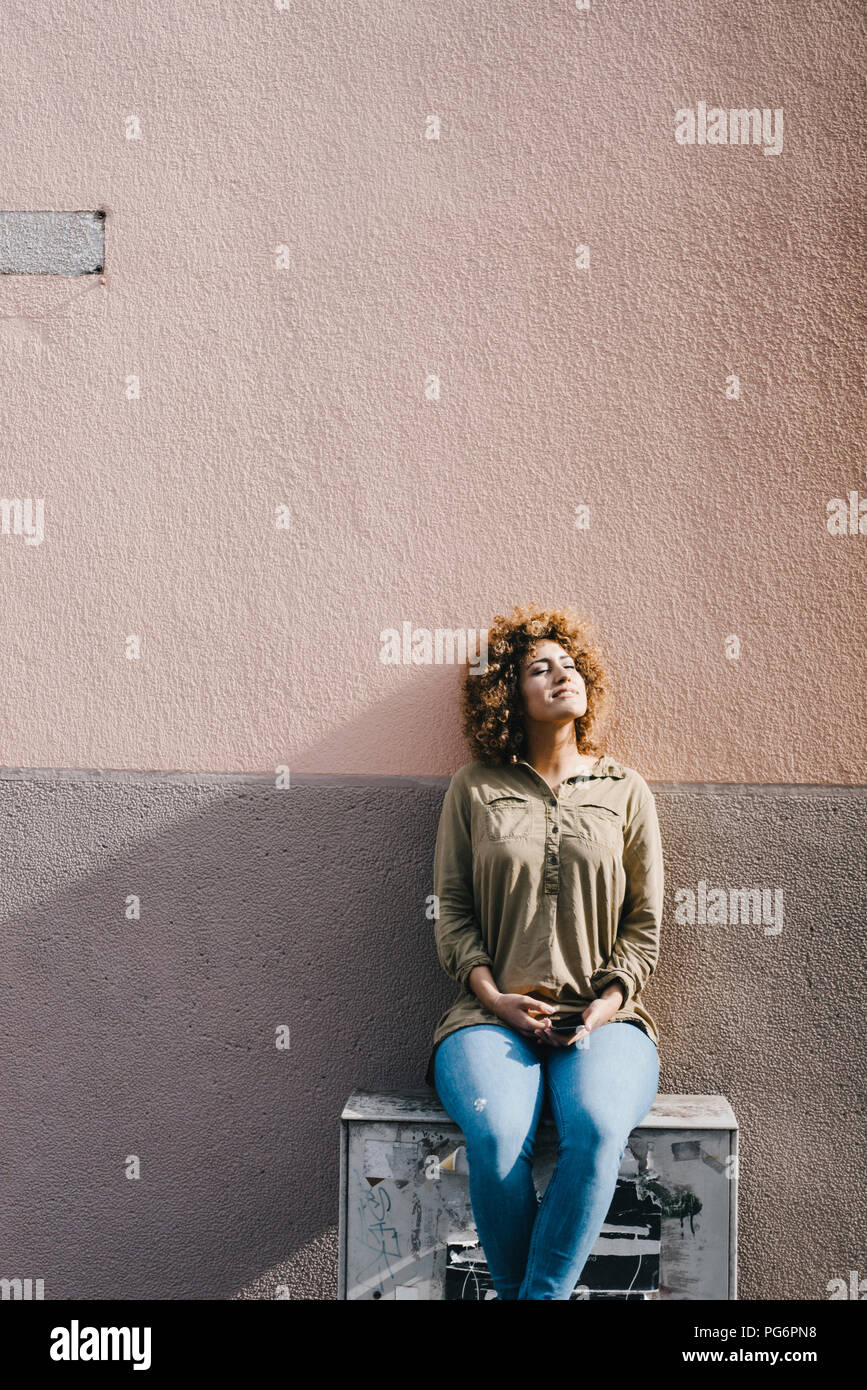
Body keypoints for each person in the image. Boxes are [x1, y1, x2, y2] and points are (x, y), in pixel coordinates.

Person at [425, 601, 664, 1300]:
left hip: (606, 1022)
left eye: (569, 664)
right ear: (508, 692)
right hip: (487, 1019)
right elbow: (454, 914)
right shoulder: (475, 789)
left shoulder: (625, 791)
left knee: (594, 1133)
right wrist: (495, 998)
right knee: (496, 1140)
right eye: (539, 667)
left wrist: (602, 1005)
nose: (561, 675)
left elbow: (644, 924)